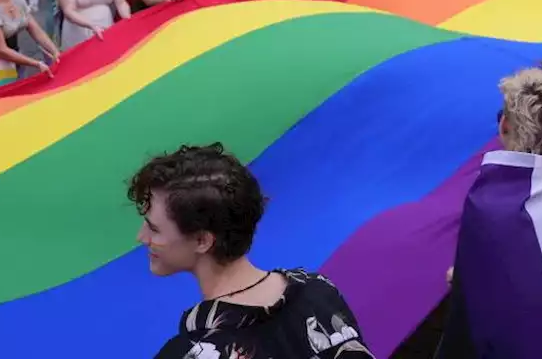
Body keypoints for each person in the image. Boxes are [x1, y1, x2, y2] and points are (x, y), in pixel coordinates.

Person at [130, 143, 374, 359]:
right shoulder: (320, 291)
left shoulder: (192, 351)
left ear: (202, 240)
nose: (141, 237)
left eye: (154, 228)